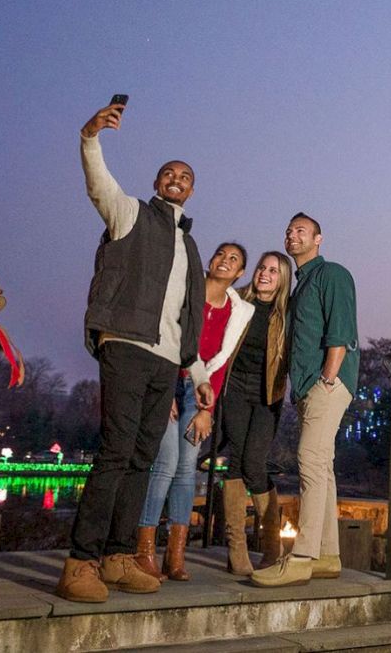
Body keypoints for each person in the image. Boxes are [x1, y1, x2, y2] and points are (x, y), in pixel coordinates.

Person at [56, 101, 211, 604]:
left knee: (143, 458)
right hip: (125, 344)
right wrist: (89, 137)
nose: (176, 178)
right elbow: (98, 182)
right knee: (116, 451)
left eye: (184, 175)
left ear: (192, 189)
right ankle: (80, 562)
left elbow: (190, 316)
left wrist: (196, 369)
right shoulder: (130, 214)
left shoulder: (191, 248)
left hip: (168, 358)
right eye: (168, 172)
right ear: (156, 181)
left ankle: (119, 557)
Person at [251, 213, 359, 587]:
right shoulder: (300, 286)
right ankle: (328, 555)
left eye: (301, 231)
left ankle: (301, 557)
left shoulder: (333, 275)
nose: (292, 235)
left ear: (318, 239)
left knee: (309, 462)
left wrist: (328, 377)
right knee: (322, 468)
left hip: (327, 383)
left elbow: (340, 331)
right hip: (310, 387)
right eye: (288, 231)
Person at [136, 242, 253, 582]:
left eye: (234, 260)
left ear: (240, 273)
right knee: (165, 463)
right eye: (221, 254)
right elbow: (162, 335)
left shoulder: (239, 311)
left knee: (187, 469)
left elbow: (221, 363)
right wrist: (161, 390)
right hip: (169, 379)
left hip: (200, 392)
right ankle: (144, 552)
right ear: (211, 259)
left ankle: (176, 555)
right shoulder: (186, 290)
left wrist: (207, 410)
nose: (225, 261)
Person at [221, 251, 292, 575]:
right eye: (262, 267)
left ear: (282, 279)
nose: (265, 273)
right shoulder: (237, 301)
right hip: (234, 390)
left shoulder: (286, 314)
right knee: (236, 460)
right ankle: (236, 550)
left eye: (273, 271)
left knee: (254, 462)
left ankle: (271, 547)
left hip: (268, 395)